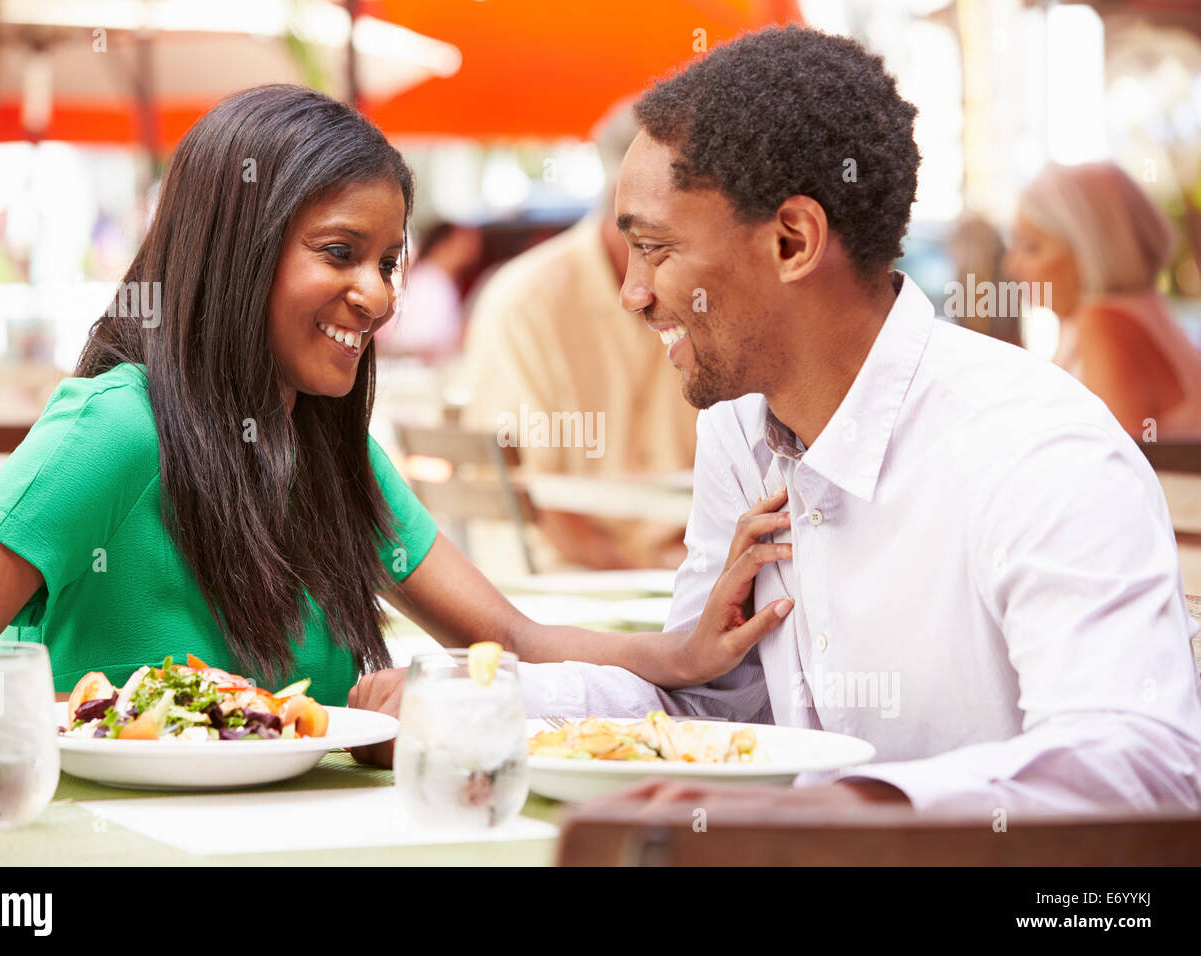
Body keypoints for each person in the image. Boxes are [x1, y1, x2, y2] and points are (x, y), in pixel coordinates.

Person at [353, 26, 1201, 816]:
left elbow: (1139, 759)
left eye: (655, 249)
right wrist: (477, 700)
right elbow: (710, 697)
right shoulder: (742, 430)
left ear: (793, 241)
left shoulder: (1037, 450)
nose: (632, 293)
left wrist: (842, 810)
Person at [0, 85, 780, 707]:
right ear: (237, 249)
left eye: (390, 260)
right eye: (338, 252)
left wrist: (683, 652)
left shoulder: (330, 447)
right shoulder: (120, 427)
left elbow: (508, 642)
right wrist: (95, 719)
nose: (382, 294)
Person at [458, 99, 698, 571]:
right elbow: (541, 502)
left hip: (676, 575)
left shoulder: (708, 291)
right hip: (560, 586)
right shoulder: (526, 303)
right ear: (619, 198)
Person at [1005, 161, 1201, 440]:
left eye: (1032, 247)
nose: (1011, 265)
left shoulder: (1105, 323)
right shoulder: (1136, 309)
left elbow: (1114, 472)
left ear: (1088, 251)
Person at [375, 220, 483, 362]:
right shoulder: (428, 280)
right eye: (468, 239)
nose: (476, 246)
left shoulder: (440, 279)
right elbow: (420, 340)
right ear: (449, 241)